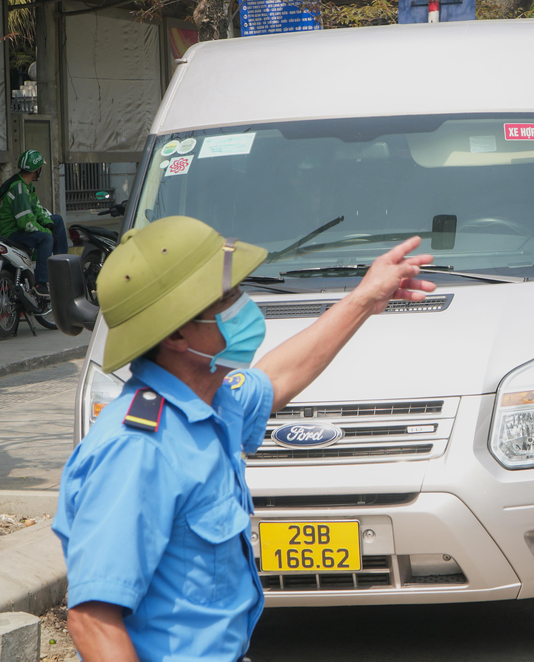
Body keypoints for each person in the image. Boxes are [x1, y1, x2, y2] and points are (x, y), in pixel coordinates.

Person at [52, 216, 435, 662]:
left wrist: (364, 299)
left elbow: (277, 377)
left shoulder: (213, 398)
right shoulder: (137, 448)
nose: (244, 306)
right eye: (228, 298)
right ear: (177, 334)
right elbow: (93, 621)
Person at [0, 149, 68, 297]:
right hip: (12, 232)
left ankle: (63, 267)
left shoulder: (26, 185)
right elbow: (26, 222)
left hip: (20, 226)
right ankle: (40, 283)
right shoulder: (19, 189)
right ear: (37, 170)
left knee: (57, 220)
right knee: (46, 239)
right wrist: (48, 232)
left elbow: (37, 210)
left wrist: (48, 223)